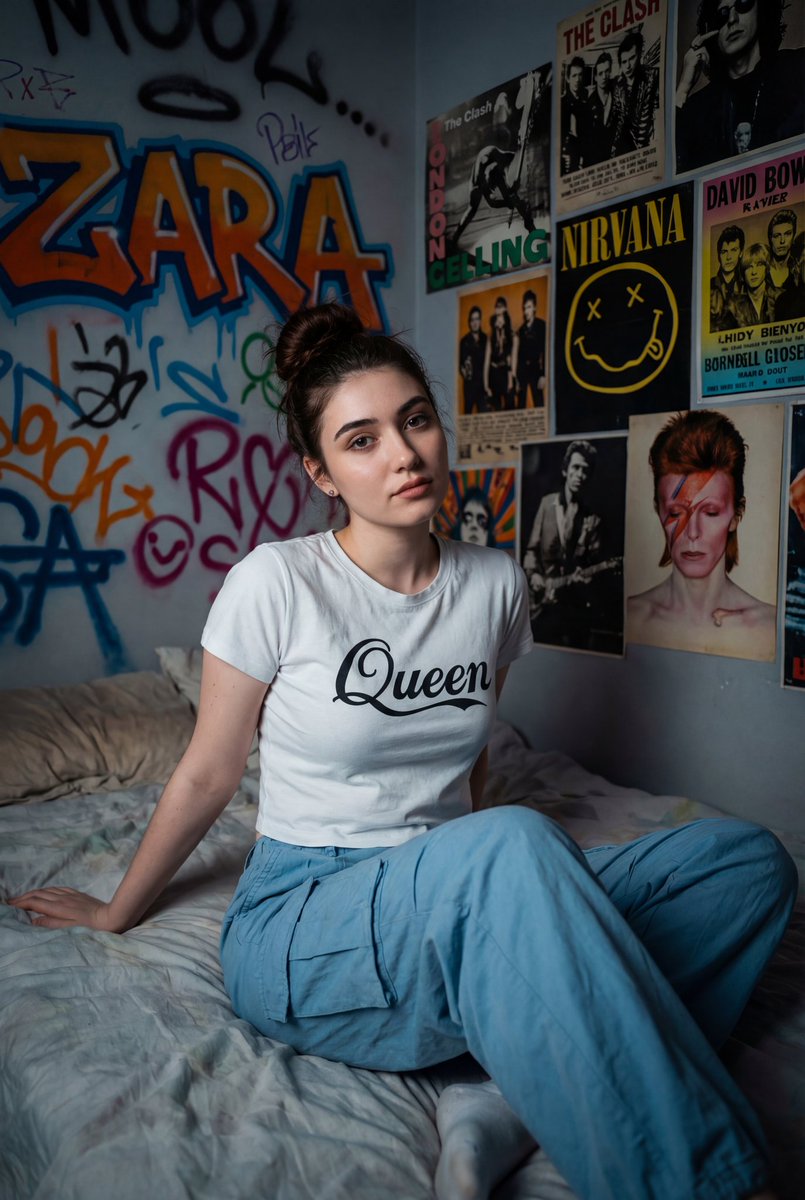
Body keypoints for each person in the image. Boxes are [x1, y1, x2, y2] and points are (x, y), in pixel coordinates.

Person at [9, 304, 794, 1200]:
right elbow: (207, 771)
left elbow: (469, 766)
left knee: (743, 865)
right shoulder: (277, 580)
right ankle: (702, 1182)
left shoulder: (494, 583)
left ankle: (509, 1090)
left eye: (414, 419)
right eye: (361, 439)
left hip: (454, 885)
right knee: (511, 843)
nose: (403, 453)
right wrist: (115, 912)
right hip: (305, 916)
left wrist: (501, 886)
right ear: (323, 473)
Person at [628, 409, 776, 659]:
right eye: (676, 513)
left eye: (710, 512)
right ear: (659, 511)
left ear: (736, 516)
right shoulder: (631, 617)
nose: (692, 533)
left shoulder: (770, 627)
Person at [676, 0, 805, 173]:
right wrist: (683, 88)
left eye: (743, 4)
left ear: (762, 10)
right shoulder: (699, 109)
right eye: (722, 14)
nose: (732, 19)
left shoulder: (797, 68)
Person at [522, 441, 620, 651]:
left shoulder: (592, 519)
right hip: (541, 605)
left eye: (585, 470)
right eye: (576, 468)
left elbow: (590, 564)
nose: (580, 475)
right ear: (565, 470)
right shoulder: (546, 504)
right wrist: (532, 575)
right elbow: (531, 550)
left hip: (573, 605)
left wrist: (585, 576)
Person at [447, 86, 535, 254]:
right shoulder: (482, 177)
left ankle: (530, 226)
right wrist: (508, 201)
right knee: (473, 208)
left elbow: (511, 156)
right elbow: (493, 202)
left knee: (513, 196)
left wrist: (522, 146)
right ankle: (455, 236)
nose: (493, 189)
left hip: (496, 165)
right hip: (479, 178)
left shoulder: (498, 157)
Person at [610, 29, 660, 156]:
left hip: (649, 145)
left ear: (639, 55)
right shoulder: (619, 86)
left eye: (631, 59)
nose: (627, 66)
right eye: (624, 62)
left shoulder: (652, 76)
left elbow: (656, 111)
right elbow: (618, 119)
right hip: (627, 146)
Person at [726, 242, 779, 326]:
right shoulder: (734, 305)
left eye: (759, 265)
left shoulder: (780, 297)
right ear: (743, 272)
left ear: (767, 268)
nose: (754, 272)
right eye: (749, 267)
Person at [512, 289, 546, 409]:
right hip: (522, 371)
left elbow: (545, 351)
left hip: (536, 370)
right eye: (525, 308)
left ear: (535, 308)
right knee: (521, 405)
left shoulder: (542, 326)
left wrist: (543, 375)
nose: (526, 311)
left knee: (539, 404)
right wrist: (514, 377)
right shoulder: (520, 331)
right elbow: (516, 355)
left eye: (529, 307)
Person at [710, 224, 745, 332]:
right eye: (724, 252)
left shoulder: (749, 285)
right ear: (718, 255)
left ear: (741, 253)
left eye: (734, 250)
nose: (728, 257)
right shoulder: (708, 287)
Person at [483, 296, 514, 409]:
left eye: (501, 316)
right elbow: (486, 362)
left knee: (509, 405)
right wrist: (486, 385)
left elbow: (510, 359)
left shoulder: (510, 336)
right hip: (494, 374)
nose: (499, 319)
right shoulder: (491, 338)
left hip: (505, 373)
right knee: (495, 406)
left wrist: (510, 381)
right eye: (498, 316)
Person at [585, 51, 616, 164]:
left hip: (615, 157)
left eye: (606, 71)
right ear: (596, 77)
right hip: (596, 160)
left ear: (610, 72)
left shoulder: (617, 95)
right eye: (600, 73)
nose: (604, 76)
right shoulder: (590, 103)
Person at [560, 56, 588, 174]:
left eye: (580, 75)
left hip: (582, 159)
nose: (577, 79)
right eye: (574, 75)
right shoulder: (562, 104)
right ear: (567, 78)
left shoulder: (586, 104)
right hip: (565, 159)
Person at [458, 306, 488, 415]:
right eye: (472, 320)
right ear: (469, 322)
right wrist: (464, 370)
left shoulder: (486, 339)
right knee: (468, 414)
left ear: (480, 321)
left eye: (477, 319)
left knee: (484, 416)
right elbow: (460, 364)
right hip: (469, 386)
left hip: (483, 386)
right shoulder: (464, 341)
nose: (474, 322)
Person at [767, 209, 800, 292]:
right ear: (770, 239)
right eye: (777, 236)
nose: (782, 241)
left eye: (787, 234)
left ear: (793, 236)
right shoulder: (760, 270)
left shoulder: (799, 271)